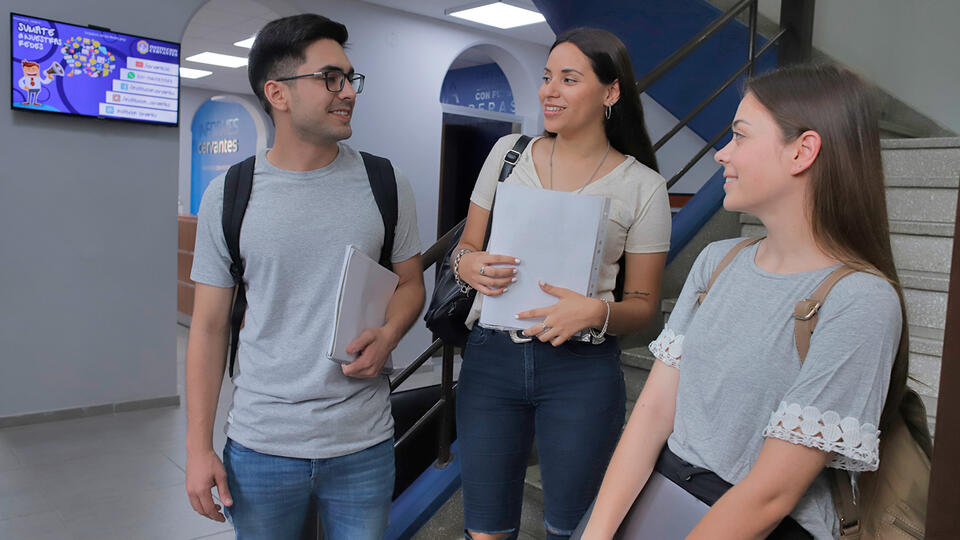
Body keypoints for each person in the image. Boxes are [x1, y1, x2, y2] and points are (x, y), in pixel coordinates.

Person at [582, 64, 906, 540]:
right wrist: (598, 532)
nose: (721, 155)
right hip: (662, 498)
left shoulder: (860, 301)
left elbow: (770, 495)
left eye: (739, 135)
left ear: (803, 151)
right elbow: (651, 415)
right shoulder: (718, 261)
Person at [183, 14, 425, 540]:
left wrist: (389, 335)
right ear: (279, 93)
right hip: (261, 446)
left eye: (350, 79)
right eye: (331, 78)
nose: (348, 93)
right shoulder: (230, 193)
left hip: (363, 443)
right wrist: (198, 448)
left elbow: (411, 284)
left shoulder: (385, 182)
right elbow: (207, 329)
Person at [452, 28, 672, 540]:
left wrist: (599, 313)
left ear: (610, 92)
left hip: (582, 371)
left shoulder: (642, 187)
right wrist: (467, 266)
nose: (549, 90)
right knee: (484, 528)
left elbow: (644, 306)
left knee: (572, 528)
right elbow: (466, 247)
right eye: (548, 77)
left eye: (569, 79)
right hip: (492, 360)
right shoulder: (508, 154)